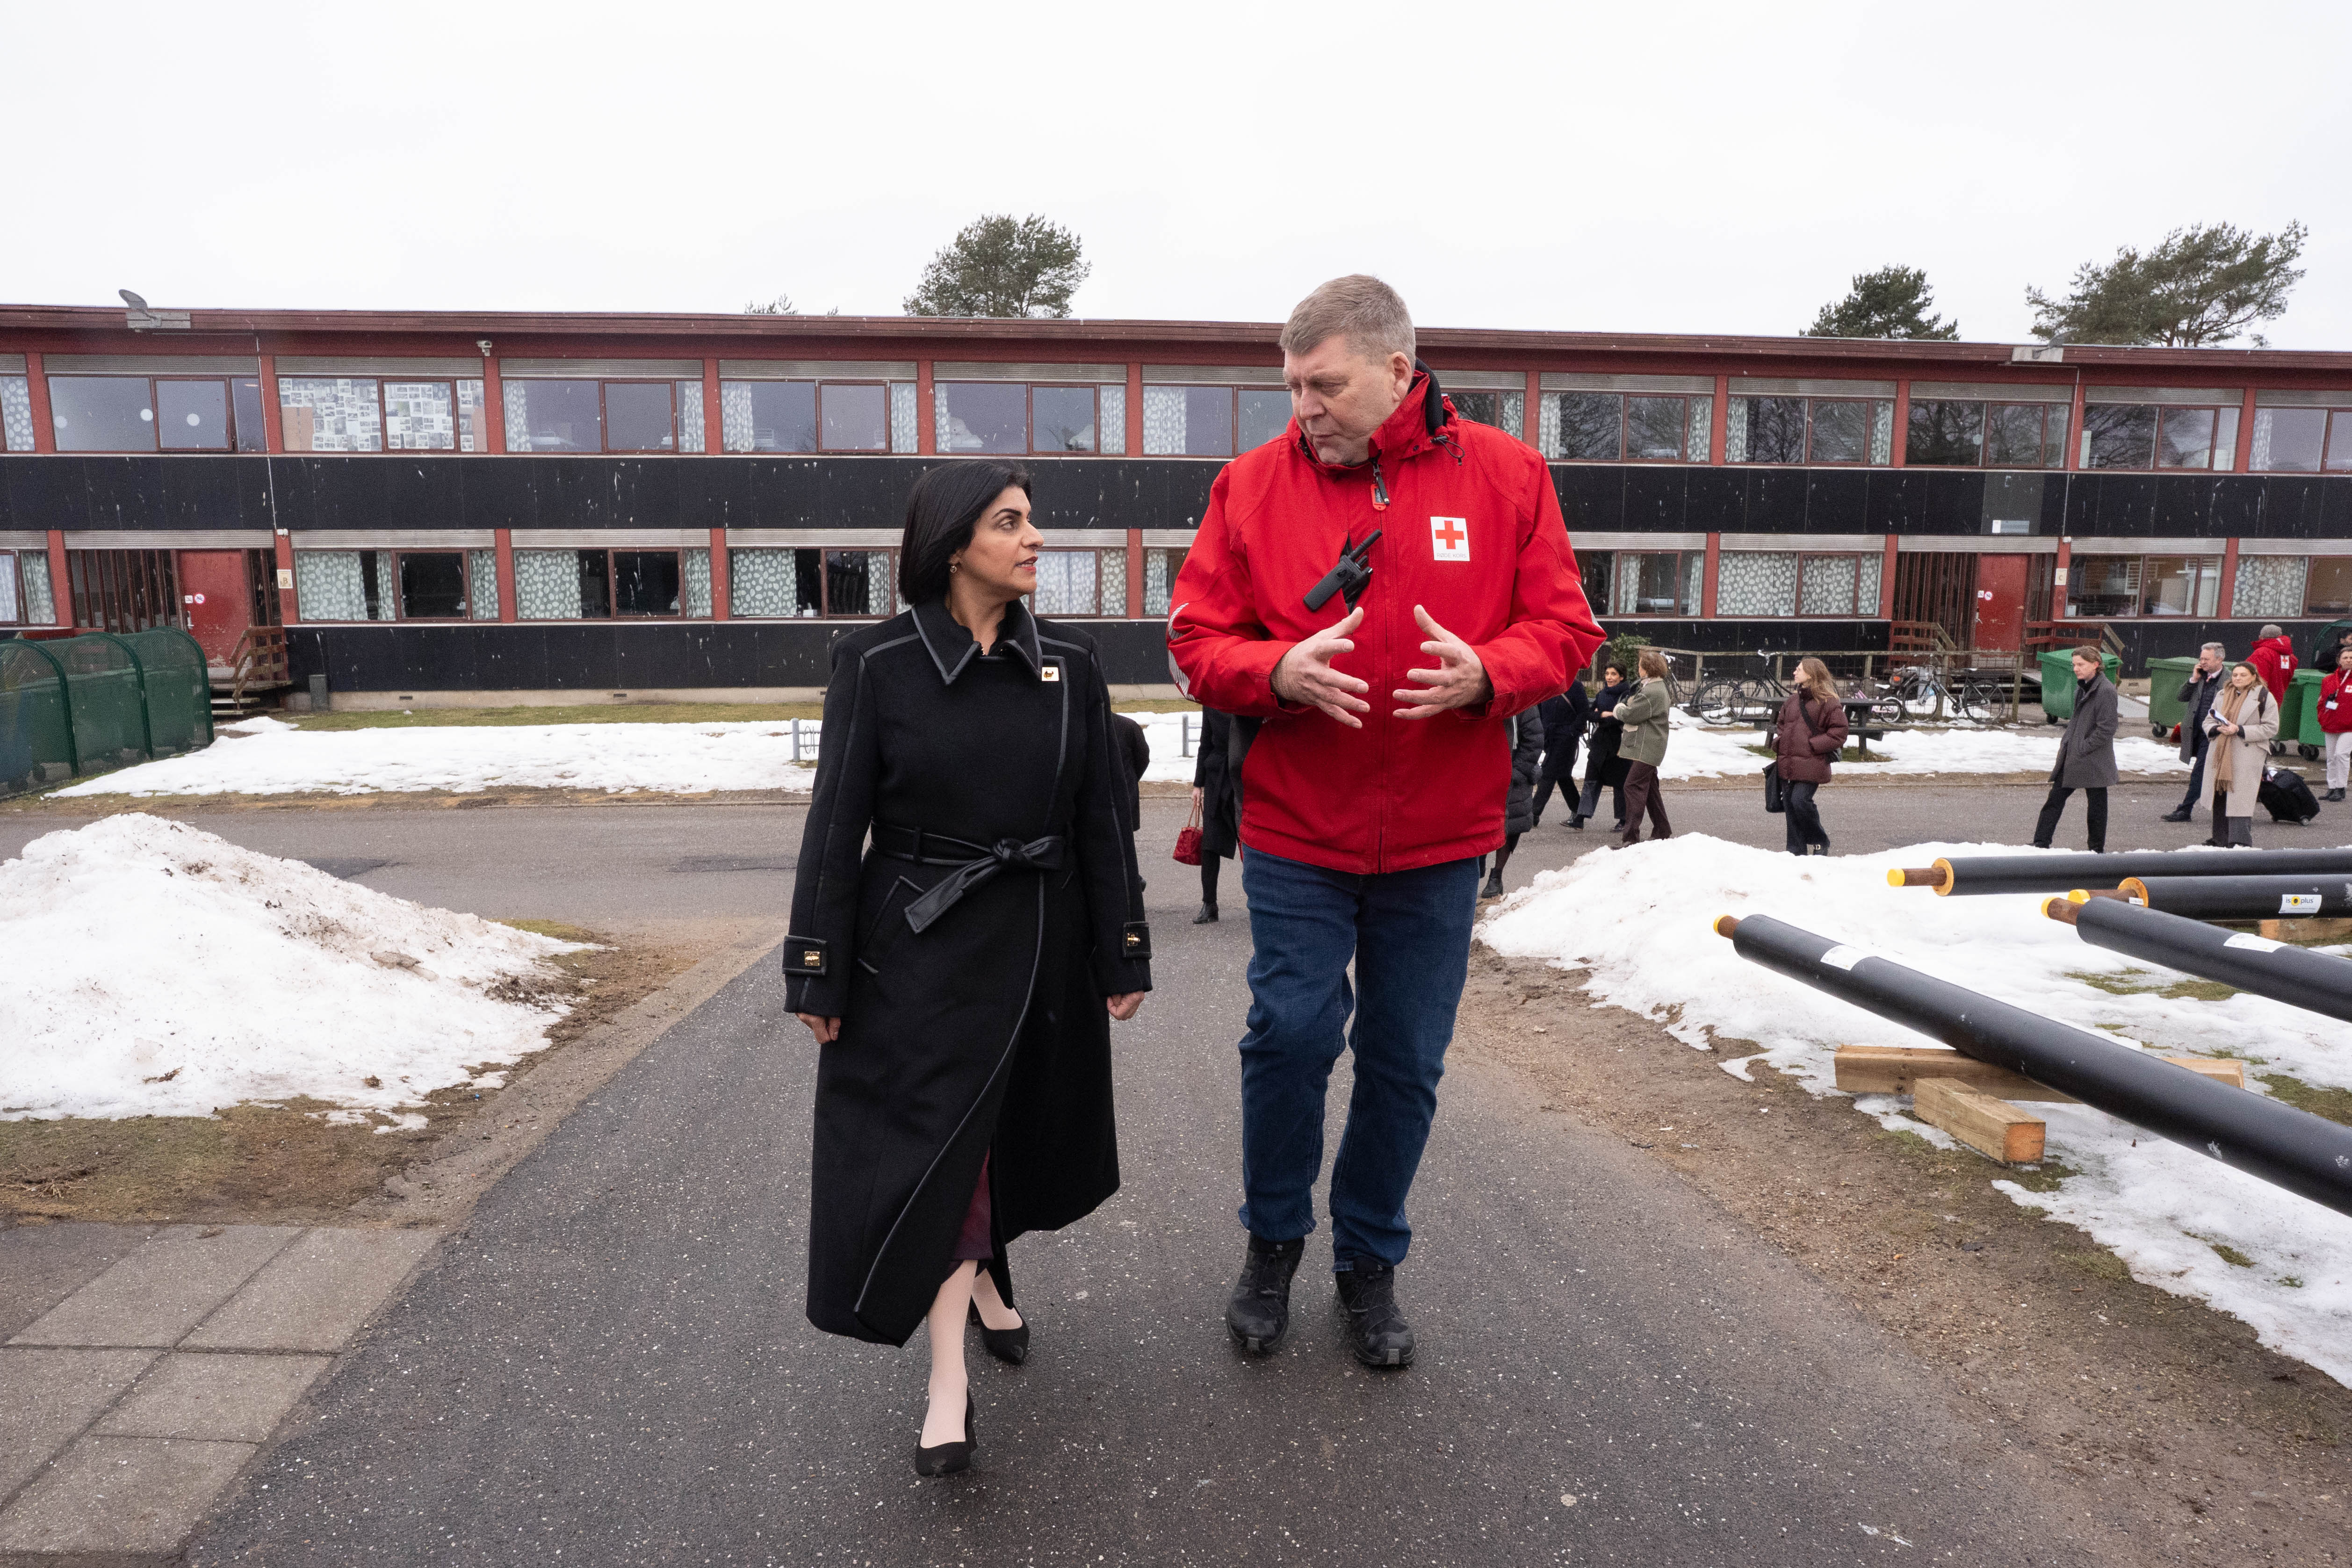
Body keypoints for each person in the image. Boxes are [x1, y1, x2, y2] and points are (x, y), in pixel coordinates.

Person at [1166, 274, 1602, 1369]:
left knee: (1404, 1061)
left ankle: (1368, 1261)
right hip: (1296, 830)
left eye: (1324, 384)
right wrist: (1275, 670)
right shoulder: (1249, 486)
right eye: (1291, 386)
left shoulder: (1505, 477)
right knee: (1291, 1036)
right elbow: (1193, 640)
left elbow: (1565, 628)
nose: (1302, 407)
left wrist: (1489, 676)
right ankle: (1272, 1241)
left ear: (1398, 371)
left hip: (1440, 839)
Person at [784, 461, 1152, 1477]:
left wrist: (1121, 945)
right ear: (955, 544)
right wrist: (816, 967)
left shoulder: (1070, 664)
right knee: (935, 1152)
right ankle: (947, 1383)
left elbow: (1099, 826)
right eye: (1011, 521)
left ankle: (986, 1276)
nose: (1036, 537)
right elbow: (835, 828)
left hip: (1037, 945)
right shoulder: (879, 664)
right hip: (915, 954)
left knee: (1003, 1139)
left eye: (1032, 519)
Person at [2032, 646, 2120, 853]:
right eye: (2074, 665)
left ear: (2096, 665)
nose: (2076, 669)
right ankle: (2040, 843)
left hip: (2093, 758)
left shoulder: (2106, 690)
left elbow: (2107, 728)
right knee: (2055, 799)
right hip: (2074, 755)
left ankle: (2096, 850)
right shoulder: (2082, 687)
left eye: (2081, 665)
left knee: (2097, 806)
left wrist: (2083, 747)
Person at [1770, 657, 1850, 856]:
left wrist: (1813, 745)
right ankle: (1795, 850)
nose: (1795, 673)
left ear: (1811, 675)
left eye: (1799, 670)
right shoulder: (1792, 700)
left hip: (1812, 764)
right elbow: (1782, 724)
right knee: (1789, 805)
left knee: (1800, 801)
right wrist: (1781, 741)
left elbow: (1839, 732)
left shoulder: (1828, 703)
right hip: (1788, 762)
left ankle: (1819, 841)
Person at [2205, 661, 2280, 847]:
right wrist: (2216, 729)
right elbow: (2208, 720)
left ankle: (2240, 843)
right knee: (2220, 795)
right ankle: (2220, 839)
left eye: (2243, 675)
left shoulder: (2264, 697)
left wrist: (2239, 729)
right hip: (2221, 752)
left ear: (2254, 677)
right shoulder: (2222, 695)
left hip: (2247, 754)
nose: (2238, 678)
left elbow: (2271, 728)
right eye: (2235, 675)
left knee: (2240, 800)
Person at [1613, 648, 1678, 846]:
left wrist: (1619, 710)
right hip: (1651, 746)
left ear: (1647, 669)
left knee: (1632, 786)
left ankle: (1631, 838)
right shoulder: (1656, 687)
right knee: (1650, 790)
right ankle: (1662, 829)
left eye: (1640, 666)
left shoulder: (1651, 691)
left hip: (1647, 748)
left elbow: (1632, 715)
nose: (1638, 669)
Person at [1190, 708, 1248, 922]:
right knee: (1210, 844)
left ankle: (1259, 900)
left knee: (1249, 842)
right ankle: (1209, 904)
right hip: (1217, 777)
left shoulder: (1246, 700)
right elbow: (1205, 744)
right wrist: (1198, 784)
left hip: (1243, 778)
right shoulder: (1211, 702)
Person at [2161, 643, 2228, 824]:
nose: (2203, 662)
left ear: (2219, 659)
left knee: (2200, 772)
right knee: (2209, 773)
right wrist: (2193, 679)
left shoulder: (2229, 679)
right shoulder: (2200, 676)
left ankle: (2185, 810)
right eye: (2201, 659)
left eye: (2207, 659)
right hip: (2196, 731)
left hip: (2215, 734)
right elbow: (2182, 697)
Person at [1481, 707, 1544, 898]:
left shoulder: (1524, 704)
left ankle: (1496, 877)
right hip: (1484, 772)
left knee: (1511, 827)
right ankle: (1477, 865)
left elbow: (1534, 741)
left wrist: (1515, 773)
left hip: (1515, 773)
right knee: (1481, 824)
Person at [1573, 663, 1631, 831]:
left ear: (1621, 677)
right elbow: (1590, 715)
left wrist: (1604, 717)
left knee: (1620, 783)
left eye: (1614, 674)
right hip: (1599, 745)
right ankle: (1580, 818)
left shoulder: (1627, 695)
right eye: (1607, 674)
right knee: (1591, 780)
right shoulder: (1602, 693)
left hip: (1618, 745)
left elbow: (1624, 718)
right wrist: (1603, 715)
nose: (1609, 678)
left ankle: (1623, 820)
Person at [1531, 678, 1590, 828]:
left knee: (1548, 772)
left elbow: (1583, 712)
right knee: (1563, 775)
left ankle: (1533, 814)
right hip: (1549, 736)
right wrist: (1542, 729)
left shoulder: (1575, 686)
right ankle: (1578, 812)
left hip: (1566, 738)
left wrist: (1571, 731)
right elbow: (1539, 709)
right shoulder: (1547, 684)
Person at [2320, 646, 2352, 803]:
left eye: (2351, 658)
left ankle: (2341, 788)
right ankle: (2331, 788)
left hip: (2349, 727)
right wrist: (2322, 717)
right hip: (2331, 724)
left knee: (2341, 755)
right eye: (2345, 658)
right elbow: (2322, 702)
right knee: (2331, 758)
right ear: (2339, 660)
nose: (2348, 660)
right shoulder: (2328, 680)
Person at [2249, 624, 2298, 707]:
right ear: (2279, 637)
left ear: (2261, 637)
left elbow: (2256, 680)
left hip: (2260, 702)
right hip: (2277, 700)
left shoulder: (2261, 654)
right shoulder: (2290, 657)